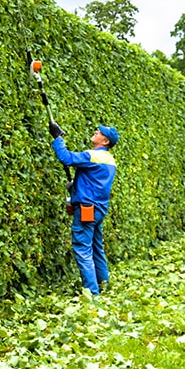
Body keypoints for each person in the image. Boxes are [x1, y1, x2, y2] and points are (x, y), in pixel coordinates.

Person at [48, 122, 119, 299]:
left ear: (105, 141)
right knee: (96, 247)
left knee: (82, 248)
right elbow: (94, 182)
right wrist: (77, 186)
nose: (97, 131)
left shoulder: (93, 155)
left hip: (87, 209)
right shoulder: (110, 160)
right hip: (99, 209)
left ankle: (92, 293)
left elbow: (66, 158)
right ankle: (104, 284)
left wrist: (58, 138)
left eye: (100, 132)